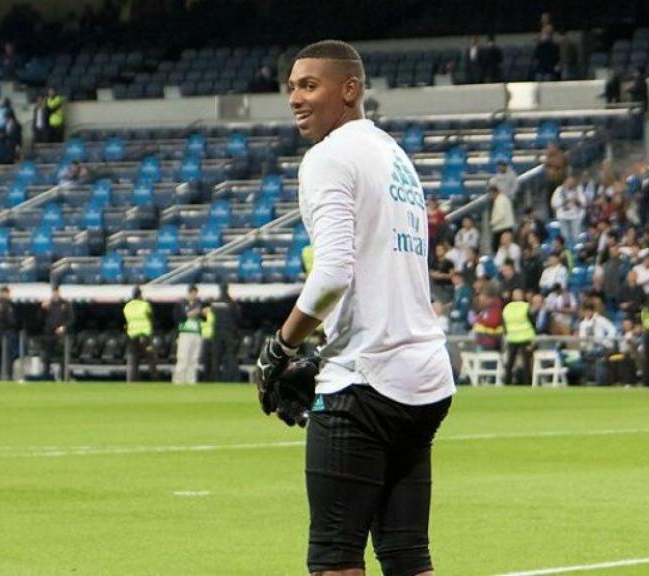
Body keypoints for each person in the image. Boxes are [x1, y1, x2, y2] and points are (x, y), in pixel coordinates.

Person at [255, 40, 455, 576]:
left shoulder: (329, 157)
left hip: (364, 384)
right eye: (292, 86)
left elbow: (333, 275)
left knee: (335, 558)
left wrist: (280, 348)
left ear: (349, 89)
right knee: (407, 554)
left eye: (309, 85)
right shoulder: (395, 156)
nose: (295, 98)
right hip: (425, 380)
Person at [172, 284, 206, 384]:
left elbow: (204, 318)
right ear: (189, 293)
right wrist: (192, 313)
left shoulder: (199, 304)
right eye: (192, 293)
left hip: (196, 333)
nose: (194, 295)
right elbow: (177, 318)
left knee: (194, 358)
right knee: (183, 357)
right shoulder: (181, 304)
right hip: (185, 333)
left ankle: (191, 380)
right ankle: (179, 380)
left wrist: (203, 314)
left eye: (196, 293)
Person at [502, 288, 535, 385]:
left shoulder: (507, 308)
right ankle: (527, 383)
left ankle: (507, 382)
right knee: (526, 362)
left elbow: (504, 322)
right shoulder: (526, 306)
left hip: (512, 336)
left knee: (510, 362)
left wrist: (506, 333)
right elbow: (533, 321)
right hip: (525, 336)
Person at [123, 286, 156, 382]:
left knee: (133, 359)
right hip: (144, 335)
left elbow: (126, 319)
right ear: (140, 295)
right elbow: (151, 316)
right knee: (151, 358)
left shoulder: (127, 306)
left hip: (132, 335)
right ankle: (154, 379)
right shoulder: (145, 305)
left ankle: (132, 380)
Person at [41, 285, 74, 381]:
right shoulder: (48, 304)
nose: (55, 294)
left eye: (56, 292)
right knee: (47, 356)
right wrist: (42, 309)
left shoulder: (66, 304)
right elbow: (40, 319)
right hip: (49, 334)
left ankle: (64, 377)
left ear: (59, 292)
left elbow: (71, 319)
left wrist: (64, 327)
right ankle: (45, 377)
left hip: (60, 335)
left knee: (62, 356)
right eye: (53, 292)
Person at [210, 282, 241, 382]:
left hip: (216, 332)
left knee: (216, 357)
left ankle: (216, 379)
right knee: (230, 355)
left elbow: (212, 316)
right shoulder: (231, 302)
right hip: (229, 332)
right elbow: (237, 318)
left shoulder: (214, 303)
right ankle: (231, 378)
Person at [488, 184, 515, 252]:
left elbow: (501, 215)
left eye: (490, 194)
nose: (490, 196)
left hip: (502, 228)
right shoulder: (502, 199)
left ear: (494, 193)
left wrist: (492, 223)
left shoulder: (500, 200)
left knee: (499, 249)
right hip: (503, 228)